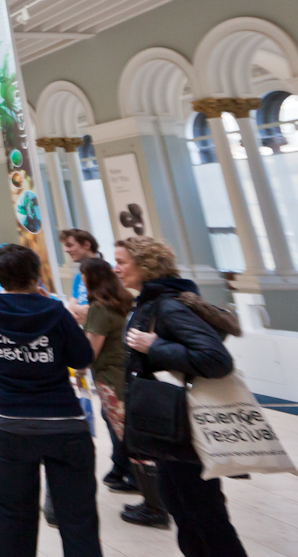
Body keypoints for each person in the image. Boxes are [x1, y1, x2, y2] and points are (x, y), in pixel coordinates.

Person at [116, 236, 247, 557]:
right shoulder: (150, 302)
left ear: (144, 266)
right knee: (183, 510)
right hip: (168, 426)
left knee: (206, 516)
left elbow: (216, 360)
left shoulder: (170, 305)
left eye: (121, 262)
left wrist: (154, 346)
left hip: (184, 429)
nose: (115, 269)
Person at [0, 244, 99, 557]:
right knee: (77, 519)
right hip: (64, 424)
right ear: (36, 275)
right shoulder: (54, 312)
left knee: (13, 515)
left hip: (11, 425)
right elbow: (81, 358)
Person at [78, 257, 147, 516]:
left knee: (124, 434)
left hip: (108, 378)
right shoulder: (121, 301)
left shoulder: (98, 308)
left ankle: (149, 494)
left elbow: (89, 352)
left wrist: (77, 368)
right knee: (128, 432)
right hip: (124, 374)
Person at [59, 229, 99, 314]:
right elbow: (71, 310)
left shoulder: (109, 272)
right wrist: (81, 310)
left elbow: (100, 311)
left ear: (87, 245)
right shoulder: (78, 277)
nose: (65, 250)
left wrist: (78, 309)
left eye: (69, 245)